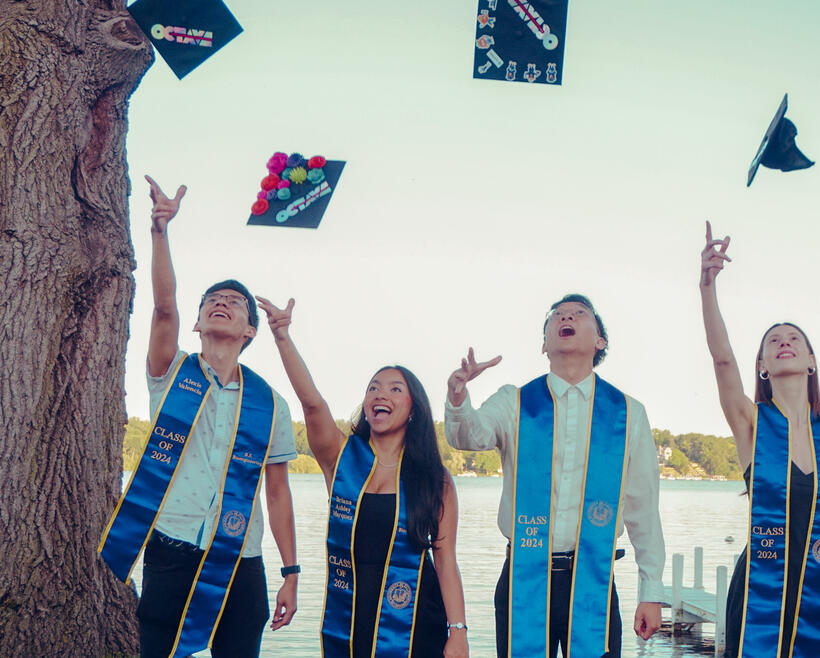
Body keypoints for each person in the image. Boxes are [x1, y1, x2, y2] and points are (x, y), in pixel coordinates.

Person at [99, 176, 299, 658]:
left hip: (240, 562)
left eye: (235, 302)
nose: (222, 303)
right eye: (213, 300)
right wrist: (160, 231)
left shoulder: (270, 404)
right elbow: (163, 307)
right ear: (198, 322)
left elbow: (277, 492)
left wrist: (291, 573)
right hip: (171, 551)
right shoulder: (171, 374)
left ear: (251, 329)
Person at [444, 293, 666, 658]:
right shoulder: (514, 402)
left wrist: (651, 592)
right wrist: (458, 396)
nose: (567, 317)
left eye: (580, 314)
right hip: (524, 577)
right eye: (557, 315)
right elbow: (468, 435)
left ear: (600, 341)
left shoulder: (627, 413)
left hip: (593, 578)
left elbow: (643, 507)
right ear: (544, 343)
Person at [699, 222, 820, 658]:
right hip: (760, 589)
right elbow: (722, 360)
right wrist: (707, 286)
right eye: (773, 341)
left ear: (811, 360)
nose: (784, 342)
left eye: (794, 338)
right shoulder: (751, 424)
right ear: (761, 363)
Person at [257, 297, 469, 658]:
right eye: (373, 388)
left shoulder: (435, 478)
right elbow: (312, 403)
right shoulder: (341, 459)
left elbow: (445, 558)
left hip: (417, 618)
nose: (380, 394)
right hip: (350, 615)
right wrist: (282, 337)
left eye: (394, 389)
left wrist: (459, 631)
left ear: (413, 407)